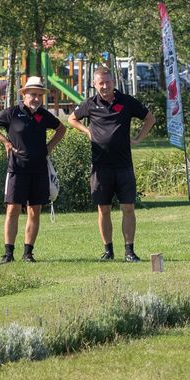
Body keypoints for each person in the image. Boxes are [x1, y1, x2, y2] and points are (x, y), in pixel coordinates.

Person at [67, 65, 155, 262]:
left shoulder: (126, 101)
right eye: (101, 83)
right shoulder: (90, 104)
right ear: (94, 85)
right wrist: (87, 131)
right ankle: (108, 251)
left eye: (108, 82)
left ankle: (129, 251)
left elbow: (150, 118)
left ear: (113, 82)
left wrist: (139, 138)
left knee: (128, 208)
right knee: (103, 209)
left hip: (123, 165)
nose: (105, 86)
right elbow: (72, 119)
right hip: (100, 167)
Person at [0, 76, 66, 263]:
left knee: (34, 211)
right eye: (32, 94)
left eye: (39, 95)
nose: (36, 98)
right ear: (24, 95)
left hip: (39, 170)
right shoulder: (12, 113)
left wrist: (49, 147)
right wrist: (5, 142)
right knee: (12, 210)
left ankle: (28, 253)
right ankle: (8, 253)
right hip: (17, 169)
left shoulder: (44, 115)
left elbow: (61, 129)